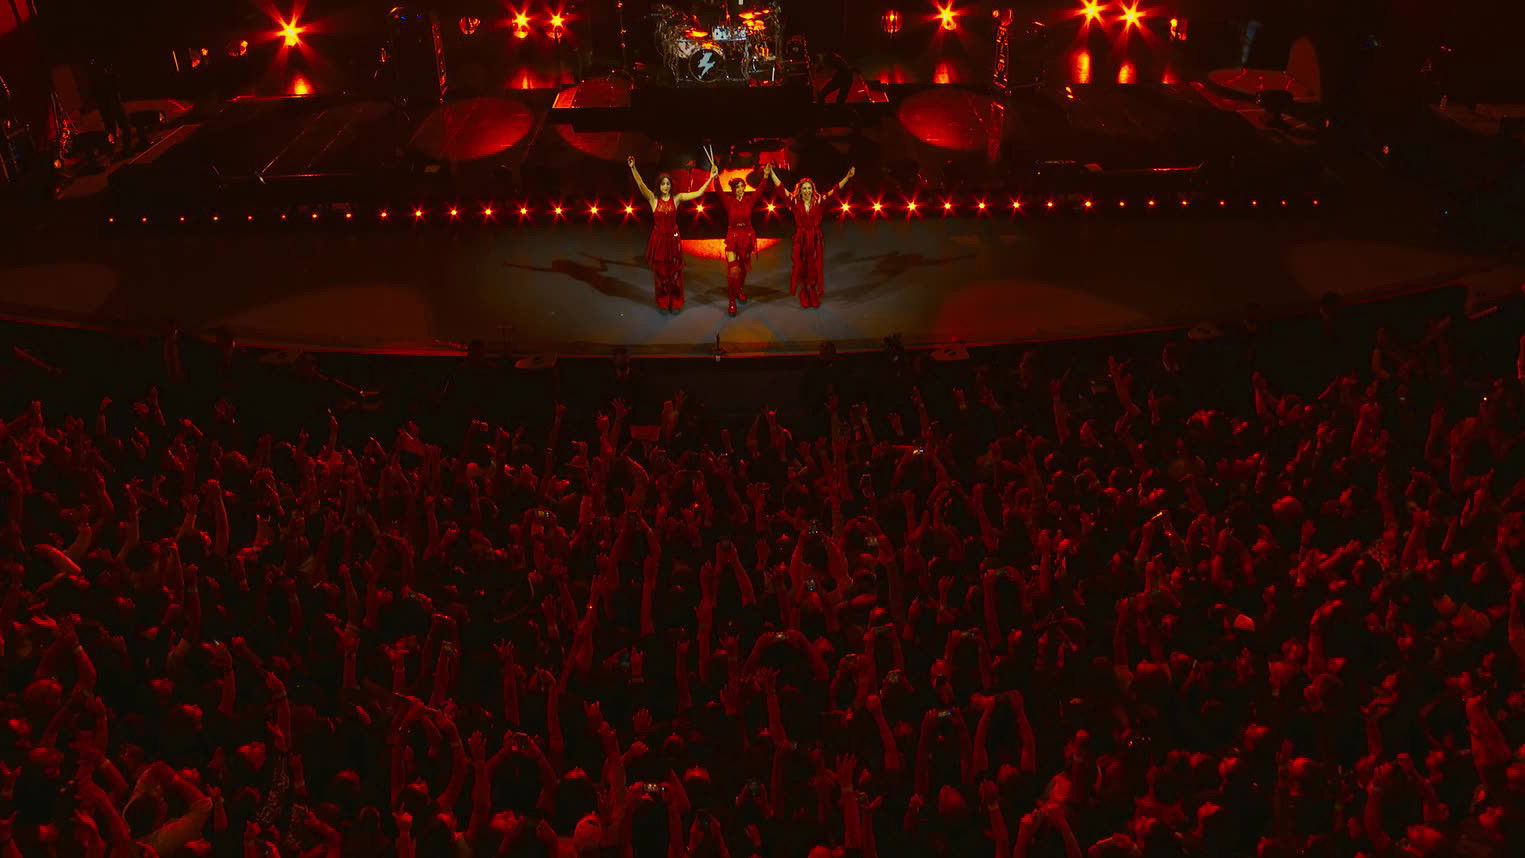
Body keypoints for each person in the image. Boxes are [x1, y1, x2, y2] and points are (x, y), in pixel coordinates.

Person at [629, 155, 718, 312]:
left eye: (668, 184)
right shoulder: (653, 199)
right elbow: (641, 184)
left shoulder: (677, 199)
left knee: (675, 273)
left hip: (673, 240)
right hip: (659, 240)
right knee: (660, 273)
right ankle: (663, 300)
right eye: (663, 184)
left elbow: (698, 193)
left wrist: (710, 177)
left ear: (671, 185)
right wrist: (633, 168)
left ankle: (675, 300)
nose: (666, 186)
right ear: (659, 186)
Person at [766, 163, 854, 308]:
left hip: (814, 238)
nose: (807, 191)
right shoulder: (794, 201)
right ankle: (804, 292)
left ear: (813, 190)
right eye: (804, 188)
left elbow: (835, 190)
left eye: (809, 188)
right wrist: (771, 173)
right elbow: (781, 188)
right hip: (801, 238)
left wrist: (847, 177)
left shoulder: (819, 201)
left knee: (813, 266)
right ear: (800, 191)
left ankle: (812, 291)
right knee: (802, 266)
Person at [718, 171, 770, 316]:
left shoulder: (749, 201)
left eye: (742, 186)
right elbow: (719, 191)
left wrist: (765, 176)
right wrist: (715, 177)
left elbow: (760, 190)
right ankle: (732, 302)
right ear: (734, 190)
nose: (741, 189)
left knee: (742, 267)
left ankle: (739, 290)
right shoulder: (729, 202)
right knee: (733, 270)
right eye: (738, 187)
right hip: (733, 237)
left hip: (747, 236)